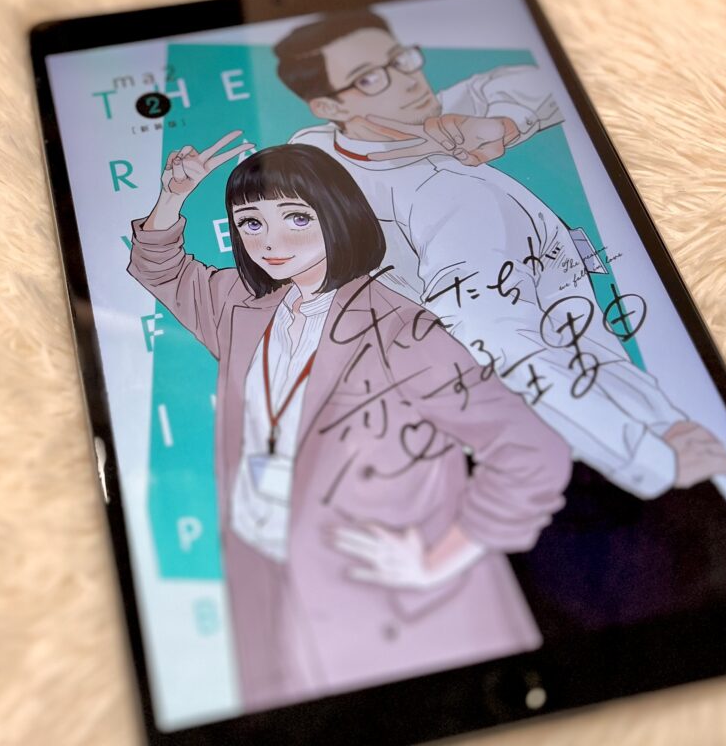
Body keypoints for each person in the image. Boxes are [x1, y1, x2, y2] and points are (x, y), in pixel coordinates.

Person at [273, 8, 726, 633]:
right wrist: (646, 456)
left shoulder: (323, 148)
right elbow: (505, 345)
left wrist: (500, 122)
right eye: (372, 77)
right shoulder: (446, 197)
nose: (408, 79)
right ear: (332, 105)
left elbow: (539, 83)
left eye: (401, 59)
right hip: (583, 430)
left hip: (507, 427)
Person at [128, 135, 571, 710]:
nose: (271, 242)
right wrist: (173, 196)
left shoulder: (403, 330)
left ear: (336, 214)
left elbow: (532, 451)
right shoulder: (242, 307)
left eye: (296, 217)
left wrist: (437, 560)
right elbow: (160, 268)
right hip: (274, 583)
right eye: (251, 223)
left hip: (399, 614)